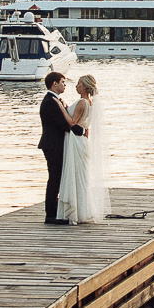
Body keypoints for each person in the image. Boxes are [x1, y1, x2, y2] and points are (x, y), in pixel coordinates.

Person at [65, 73, 112, 224]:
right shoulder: (91, 103)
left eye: (79, 84)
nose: (76, 86)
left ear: (85, 86)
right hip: (83, 141)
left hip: (76, 141)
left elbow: (72, 122)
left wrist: (61, 108)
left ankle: (78, 210)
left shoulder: (82, 102)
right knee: (82, 176)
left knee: (77, 175)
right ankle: (84, 209)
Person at [38, 71, 74, 224]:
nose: (64, 85)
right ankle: (51, 214)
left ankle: (55, 211)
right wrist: (77, 128)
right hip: (52, 145)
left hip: (56, 144)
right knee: (54, 177)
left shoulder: (55, 100)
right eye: (62, 82)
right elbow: (61, 124)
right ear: (54, 84)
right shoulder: (50, 102)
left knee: (57, 177)